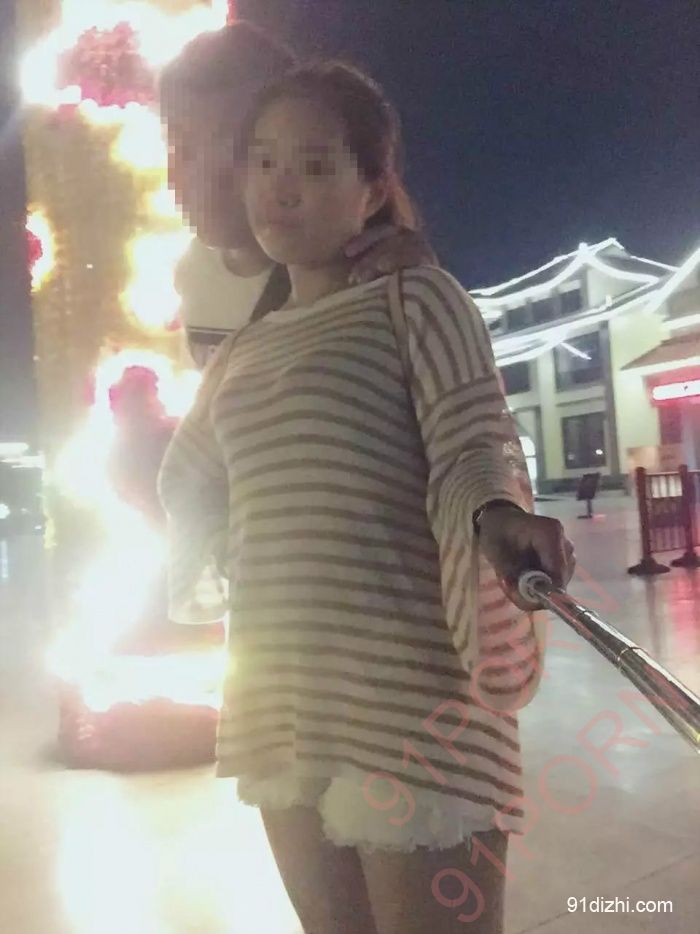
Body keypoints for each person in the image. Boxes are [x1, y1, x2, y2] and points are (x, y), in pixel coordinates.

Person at [159, 57, 576, 934]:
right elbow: (190, 477)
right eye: (264, 161)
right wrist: (224, 551)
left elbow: (470, 440)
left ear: (373, 189)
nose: (281, 187)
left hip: (412, 707)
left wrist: (497, 514)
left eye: (315, 166)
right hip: (280, 702)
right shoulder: (241, 353)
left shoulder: (417, 299)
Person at [158, 21, 437, 369]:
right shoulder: (177, 278)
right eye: (178, 146)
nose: (190, 175)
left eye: (230, 143)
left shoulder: (361, 283)